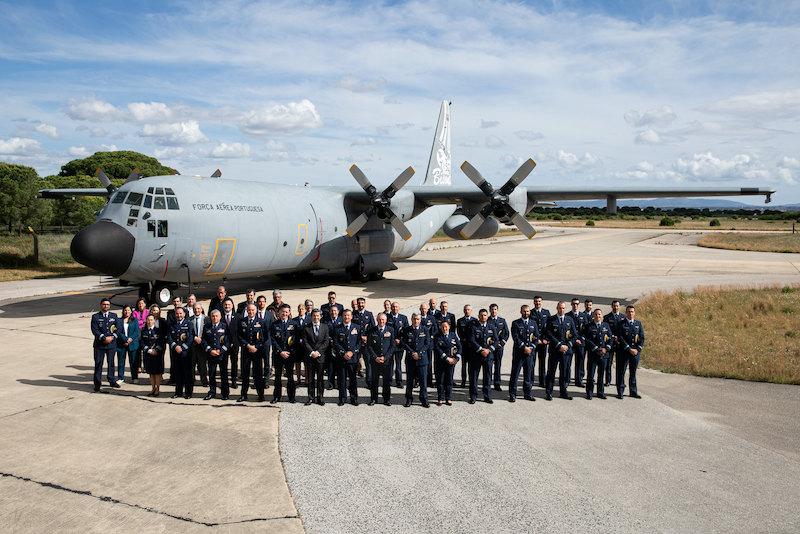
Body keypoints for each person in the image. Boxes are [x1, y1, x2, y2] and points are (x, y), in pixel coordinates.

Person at [545, 301, 577, 401]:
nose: (561, 310)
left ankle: (563, 392)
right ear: (557, 308)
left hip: (566, 352)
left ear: (565, 308)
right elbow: (549, 334)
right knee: (551, 372)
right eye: (560, 308)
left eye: (563, 308)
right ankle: (549, 393)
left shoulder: (569, 319)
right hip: (555, 350)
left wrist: (567, 346)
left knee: (564, 372)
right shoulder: (551, 319)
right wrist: (559, 345)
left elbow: (574, 335)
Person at [238, 303, 267, 402]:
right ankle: (243, 395)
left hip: (257, 352)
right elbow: (239, 336)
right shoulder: (242, 321)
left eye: (253, 310)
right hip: (246, 351)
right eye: (249, 310)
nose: (251, 312)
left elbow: (264, 337)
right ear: (247, 311)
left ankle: (261, 395)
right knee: (245, 374)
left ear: (256, 311)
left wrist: (256, 346)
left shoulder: (261, 322)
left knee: (258, 374)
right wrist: (247, 345)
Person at [509, 304, 538, 402]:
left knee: (528, 374)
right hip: (519, 353)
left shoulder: (533, 323)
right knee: (515, 374)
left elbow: (536, 337)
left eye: (528, 311)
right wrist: (524, 347)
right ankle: (512, 394)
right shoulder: (516, 323)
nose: (526, 313)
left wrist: (531, 347)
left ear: (530, 312)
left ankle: (527, 393)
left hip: (530, 353)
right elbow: (515, 338)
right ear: (521, 312)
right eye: (524, 311)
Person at [90, 298, 120, 392]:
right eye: (104, 304)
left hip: (111, 344)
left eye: (107, 304)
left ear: (109, 306)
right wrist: (103, 338)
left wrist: (112, 337)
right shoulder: (95, 316)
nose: (106, 306)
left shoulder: (114, 316)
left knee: (111, 364)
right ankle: (97, 384)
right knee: (99, 364)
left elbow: (118, 329)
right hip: (99, 345)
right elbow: (95, 330)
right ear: (101, 305)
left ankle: (112, 380)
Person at [402, 313, 431, 408]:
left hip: (422, 360)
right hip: (410, 359)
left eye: (418, 319)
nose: (416, 321)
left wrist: (420, 353)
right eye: (414, 319)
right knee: (410, 381)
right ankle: (409, 399)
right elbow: (404, 343)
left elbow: (427, 343)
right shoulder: (407, 330)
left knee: (423, 381)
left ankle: (424, 399)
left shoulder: (425, 329)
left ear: (420, 320)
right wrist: (412, 353)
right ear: (411, 319)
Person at [302, 309, 330, 406]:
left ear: (320, 316)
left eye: (317, 316)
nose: (316, 317)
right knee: (310, 379)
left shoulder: (325, 327)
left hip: (320, 357)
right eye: (314, 315)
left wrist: (318, 352)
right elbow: (305, 342)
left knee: (320, 379)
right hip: (310, 357)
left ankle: (320, 398)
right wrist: (312, 352)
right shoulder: (306, 328)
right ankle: (310, 398)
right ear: (311, 316)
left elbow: (326, 342)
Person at [270, 304, 297, 403]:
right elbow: (273, 339)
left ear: (289, 313)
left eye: (286, 312)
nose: (284, 314)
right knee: (277, 377)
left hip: (290, 355)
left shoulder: (294, 324)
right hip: (278, 354)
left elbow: (296, 340)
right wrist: (280, 351)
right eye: (282, 312)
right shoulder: (274, 324)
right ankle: (276, 397)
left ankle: (291, 397)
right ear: (278, 313)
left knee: (290, 377)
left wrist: (290, 352)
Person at [334, 309, 361, 406]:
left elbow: (359, 343)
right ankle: (342, 398)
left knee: (353, 379)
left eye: (348, 315)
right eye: (345, 315)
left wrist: (352, 352)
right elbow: (336, 343)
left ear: (352, 316)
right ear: (342, 316)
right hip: (342, 358)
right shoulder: (337, 328)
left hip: (353, 359)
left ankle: (354, 398)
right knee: (342, 379)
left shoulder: (357, 327)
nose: (347, 317)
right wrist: (343, 353)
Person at [365, 313, 394, 406]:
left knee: (386, 381)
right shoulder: (371, 331)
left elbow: (392, 346)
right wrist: (375, 357)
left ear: (386, 320)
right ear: (377, 320)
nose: (381, 321)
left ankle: (387, 399)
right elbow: (369, 346)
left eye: (383, 320)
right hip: (375, 361)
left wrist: (385, 357)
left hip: (387, 361)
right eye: (380, 319)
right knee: (374, 381)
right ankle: (374, 399)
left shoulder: (391, 330)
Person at [617, 305, 645, 399]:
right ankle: (620, 392)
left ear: (634, 313)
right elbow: (620, 338)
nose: (630, 313)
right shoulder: (621, 323)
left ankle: (633, 392)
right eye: (629, 312)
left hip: (635, 353)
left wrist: (638, 349)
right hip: (624, 351)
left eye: (632, 311)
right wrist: (629, 349)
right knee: (621, 372)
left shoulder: (638, 323)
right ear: (626, 313)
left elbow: (642, 338)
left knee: (633, 372)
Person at [470, 309, 497, 404]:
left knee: (488, 377)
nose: (483, 317)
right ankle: (473, 396)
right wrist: (481, 349)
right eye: (481, 315)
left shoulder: (492, 327)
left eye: (485, 315)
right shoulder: (474, 327)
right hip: (476, 355)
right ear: (478, 316)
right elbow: (472, 340)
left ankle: (487, 396)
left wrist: (488, 350)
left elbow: (496, 341)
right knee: (474, 377)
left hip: (488, 356)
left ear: (487, 316)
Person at [584, 308, 612, 399]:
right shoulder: (589, 326)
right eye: (596, 314)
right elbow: (587, 339)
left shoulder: (606, 325)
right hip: (593, 354)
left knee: (601, 375)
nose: (598, 316)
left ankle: (600, 392)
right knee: (591, 375)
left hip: (604, 355)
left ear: (602, 316)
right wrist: (596, 348)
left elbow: (610, 338)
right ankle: (589, 393)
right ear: (593, 316)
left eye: (599, 314)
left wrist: (606, 348)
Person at [203, 309, 230, 400]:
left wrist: (221, 351)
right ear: (210, 317)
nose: (215, 318)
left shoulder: (225, 326)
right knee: (211, 374)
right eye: (213, 316)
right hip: (211, 355)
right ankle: (212, 392)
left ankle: (225, 393)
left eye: (216, 316)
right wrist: (210, 350)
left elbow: (228, 341)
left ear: (220, 317)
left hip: (222, 355)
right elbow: (204, 340)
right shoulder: (207, 327)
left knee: (224, 375)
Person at [433, 319, 461, 406]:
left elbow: (459, 347)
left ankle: (448, 398)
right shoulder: (437, 336)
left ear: (449, 327)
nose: (444, 328)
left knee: (449, 380)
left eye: (446, 327)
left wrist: (456, 358)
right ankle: (440, 398)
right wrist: (446, 358)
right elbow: (437, 349)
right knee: (440, 381)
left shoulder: (453, 335)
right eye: (442, 327)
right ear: (440, 328)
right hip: (440, 362)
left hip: (451, 362)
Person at [168, 306, 193, 399]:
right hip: (175, 352)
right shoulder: (172, 324)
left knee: (187, 373)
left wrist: (183, 347)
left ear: (184, 314)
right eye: (177, 313)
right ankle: (178, 392)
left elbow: (190, 338)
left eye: (180, 313)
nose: (179, 315)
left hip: (185, 353)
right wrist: (175, 346)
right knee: (177, 373)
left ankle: (188, 393)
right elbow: (169, 337)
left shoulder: (189, 324)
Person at [567, 298, 589, 387]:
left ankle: (579, 380)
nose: (575, 305)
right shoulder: (568, 315)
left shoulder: (583, 316)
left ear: (579, 305)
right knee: (568, 361)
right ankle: (566, 379)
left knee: (580, 361)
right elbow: (566, 330)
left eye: (577, 304)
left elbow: (586, 329)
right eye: (573, 304)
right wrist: (573, 339)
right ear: (571, 304)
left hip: (581, 342)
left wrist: (581, 338)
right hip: (571, 342)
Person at [140, 314, 165, 397]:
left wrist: (156, 350)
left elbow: (161, 342)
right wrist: (148, 350)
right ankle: (153, 388)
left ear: (154, 321)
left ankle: (158, 389)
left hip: (157, 355)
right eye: (148, 320)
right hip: (148, 354)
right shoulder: (143, 331)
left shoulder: (159, 330)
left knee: (157, 373)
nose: (149, 321)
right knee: (151, 373)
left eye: (151, 320)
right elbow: (142, 342)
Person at [115, 305, 139, 384]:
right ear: (123, 311)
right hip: (122, 343)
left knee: (133, 361)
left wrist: (130, 339)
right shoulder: (119, 320)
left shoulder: (134, 320)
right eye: (125, 310)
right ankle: (121, 377)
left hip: (132, 343)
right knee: (121, 361)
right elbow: (118, 332)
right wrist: (125, 339)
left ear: (131, 311)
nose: (127, 312)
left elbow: (136, 332)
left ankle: (134, 377)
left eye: (128, 310)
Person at [488, 303, 510, 392]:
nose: (494, 311)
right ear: (490, 310)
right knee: (488, 366)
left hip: (499, 347)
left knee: (498, 365)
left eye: (495, 309)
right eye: (492, 309)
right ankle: (488, 383)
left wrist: (502, 343)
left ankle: (497, 383)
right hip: (490, 347)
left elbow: (506, 333)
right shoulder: (487, 320)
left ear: (497, 310)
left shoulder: (502, 320)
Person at [353, 297, 375, 382]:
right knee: (354, 362)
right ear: (357, 304)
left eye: (362, 303)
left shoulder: (369, 314)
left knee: (368, 362)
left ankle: (369, 381)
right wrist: (359, 336)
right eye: (359, 303)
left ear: (364, 304)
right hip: (356, 342)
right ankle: (353, 381)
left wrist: (367, 337)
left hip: (366, 343)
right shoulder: (353, 314)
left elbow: (373, 328)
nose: (361, 305)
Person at [387, 301, 408, 388]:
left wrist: (400, 340)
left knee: (398, 363)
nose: (395, 308)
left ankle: (399, 381)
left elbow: (407, 331)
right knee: (390, 363)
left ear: (399, 308)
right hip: (390, 345)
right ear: (391, 308)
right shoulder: (387, 317)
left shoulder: (403, 318)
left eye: (396, 307)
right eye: (393, 307)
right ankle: (389, 380)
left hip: (399, 345)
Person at [603, 300, 625, 387]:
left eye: (617, 306)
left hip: (620, 343)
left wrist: (618, 338)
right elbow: (605, 331)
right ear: (611, 306)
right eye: (614, 306)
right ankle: (608, 380)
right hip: (610, 343)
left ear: (619, 307)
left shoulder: (623, 317)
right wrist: (612, 337)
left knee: (621, 364)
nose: (615, 307)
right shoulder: (607, 317)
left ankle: (620, 382)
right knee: (608, 363)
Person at [531, 296, 551, 388]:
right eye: (536, 301)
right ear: (533, 302)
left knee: (542, 363)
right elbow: (530, 328)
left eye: (539, 301)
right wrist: (536, 339)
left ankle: (542, 381)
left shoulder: (546, 313)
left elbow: (549, 327)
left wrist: (546, 339)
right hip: (534, 342)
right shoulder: (530, 312)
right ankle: (530, 380)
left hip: (543, 342)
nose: (537, 303)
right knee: (532, 362)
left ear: (541, 302)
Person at [456, 304, 478, 388]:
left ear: (471, 311)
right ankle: (463, 381)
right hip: (464, 346)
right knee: (464, 365)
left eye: (468, 310)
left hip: (472, 347)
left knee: (472, 365)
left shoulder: (475, 320)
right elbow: (459, 332)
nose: (467, 311)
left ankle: (472, 381)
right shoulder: (460, 321)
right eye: (465, 310)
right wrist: (464, 339)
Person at [221, 298, 240, 389]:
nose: (227, 306)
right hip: (223, 344)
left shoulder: (238, 317)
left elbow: (240, 332)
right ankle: (224, 381)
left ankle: (233, 380)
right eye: (225, 304)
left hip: (234, 345)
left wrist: (236, 342)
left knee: (234, 363)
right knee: (223, 363)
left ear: (232, 306)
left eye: (229, 304)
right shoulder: (219, 316)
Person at [189, 303, 208, 388]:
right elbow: (188, 333)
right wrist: (194, 338)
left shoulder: (207, 319)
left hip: (202, 345)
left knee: (202, 364)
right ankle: (191, 380)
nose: (196, 310)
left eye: (198, 308)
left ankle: (204, 381)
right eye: (195, 309)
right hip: (193, 345)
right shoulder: (189, 320)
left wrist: (201, 339)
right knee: (191, 364)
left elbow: (208, 332)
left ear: (201, 309)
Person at [323, 304, 342, 390]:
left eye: (335, 311)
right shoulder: (325, 321)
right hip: (329, 346)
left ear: (338, 312)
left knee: (339, 366)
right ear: (329, 312)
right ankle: (330, 383)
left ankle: (339, 383)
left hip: (340, 346)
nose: (333, 312)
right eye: (332, 311)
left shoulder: (342, 320)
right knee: (330, 366)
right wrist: (329, 340)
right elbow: (324, 333)